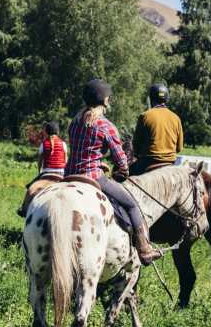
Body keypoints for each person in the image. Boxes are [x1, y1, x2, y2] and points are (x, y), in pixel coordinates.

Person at [66, 79, 161, 265]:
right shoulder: (105, 125)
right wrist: (122, 171)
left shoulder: (75, 122)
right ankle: (144, 249)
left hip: (68, 176)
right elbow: (121, 162)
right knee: (132, 205)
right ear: (105, 100)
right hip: (93, 177)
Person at [131, 83, 183, 175]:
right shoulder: (176, 118)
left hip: (148, 163)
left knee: (125, 177)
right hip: (170, 164)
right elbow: (179, 148)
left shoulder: (145, 116)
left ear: (151, 98)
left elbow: (136, 145)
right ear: (166, 99)